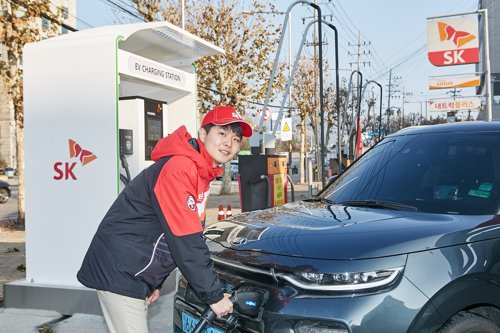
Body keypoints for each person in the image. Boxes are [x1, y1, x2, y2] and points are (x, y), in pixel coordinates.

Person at [77, 105, 252, 333]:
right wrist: (214, 296)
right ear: (202, 134)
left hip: (135, 271)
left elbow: (167, 233)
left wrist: (154, 281)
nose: (229, 143)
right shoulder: (180, 169)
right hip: (120, 271)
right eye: (221, 133)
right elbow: (186, 240)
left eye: (236, 138)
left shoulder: (200, 172)